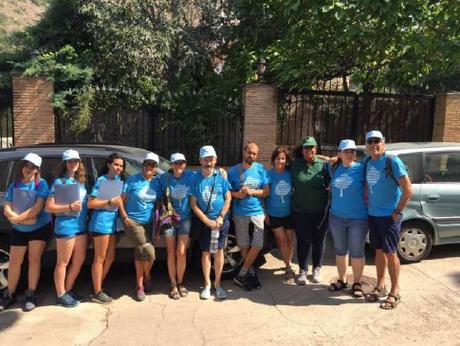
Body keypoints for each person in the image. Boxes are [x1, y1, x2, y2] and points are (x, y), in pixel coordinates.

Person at [363, 131, 412, 310]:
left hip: (389, 216)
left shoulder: (392, 162)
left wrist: (397, 212)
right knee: (378, 251)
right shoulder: (368, 162)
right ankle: (380, 286)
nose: (374, 144)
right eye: (370, 141)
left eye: (377, 141)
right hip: (373, 214)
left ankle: (395, 290)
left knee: (391, 253)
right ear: (366, 145)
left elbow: (408, 189)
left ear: (384, 143)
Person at [0, 153, 52, 312]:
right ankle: (9, 294)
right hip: (19, 229)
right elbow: (7, 205)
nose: (29, 169)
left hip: (39, 228)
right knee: (15, 262)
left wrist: (17, 219)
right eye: (26, 165)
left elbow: (36, 208)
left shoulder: (41, 184)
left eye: (33, 167)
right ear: (22, 166)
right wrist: (15, 218)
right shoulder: (14, 184)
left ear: (37, 170)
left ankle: (30, 294)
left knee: (34, 260)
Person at [46, 150, 88, 307]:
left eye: (76, 161)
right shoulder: (59, 183)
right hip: (66, 226)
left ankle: (68, 289)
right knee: (63, 262)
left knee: (79, 260)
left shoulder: (81, 182)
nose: (73, 164)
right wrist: (69, 206)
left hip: (81, 226)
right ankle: (60, 294)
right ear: (65, 163)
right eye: (70, 161)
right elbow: (49, 207)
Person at [327, 140, 368, 297]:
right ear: (339, 153)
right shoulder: (335, 167)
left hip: (358, 218)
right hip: (336, 217)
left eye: (352, 151)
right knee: (340, 250)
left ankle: (357, 282)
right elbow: (324, 160)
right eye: (346, 151)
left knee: (357, 251)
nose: (349, 154)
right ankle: (342, 280)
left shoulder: (361, 168)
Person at [190, 146, 232, 300]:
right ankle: (207, 284)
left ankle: (218, 284)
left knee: (219, 251)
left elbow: (228, 198)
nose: (208, 162)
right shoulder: (195, 178)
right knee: (206, 252)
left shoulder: (221, 177)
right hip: (205, 223)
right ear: (200, 160)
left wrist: (221, 216)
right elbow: (193, 203)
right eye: (205, 159)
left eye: (211, 158)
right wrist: (205, 220)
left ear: (215, 160)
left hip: (220, 222)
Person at [228, 142, 269, 291]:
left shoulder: (260, 169)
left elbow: (266, 191)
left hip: (257, 211)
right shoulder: (233, 171)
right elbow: (227, 192)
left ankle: (242, 272)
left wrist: (252, 191)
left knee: (258, 244)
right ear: (244, 152)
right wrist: (237, 194)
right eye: (249, 152)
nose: (251, 155)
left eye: (254, 154)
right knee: (244, 244)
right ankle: (249, 271)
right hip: (240, 213)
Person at [120, 152, 160, 301]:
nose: (149, 167)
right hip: (133, 222)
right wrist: (124, 217)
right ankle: (148, 276)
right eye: (147, 164)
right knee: (149, 252)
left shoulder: (157, 182)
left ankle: (139, 285)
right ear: (142, 166)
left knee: (140, 253)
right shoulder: (132, 180)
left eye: (152, 165)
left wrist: (158, 226)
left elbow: (158, 204)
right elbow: (120, 199)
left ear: (155, 168)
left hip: (149, 222)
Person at [290, 136, 329, 285]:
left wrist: (325, 159)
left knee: (319, 241)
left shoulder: (324, 166)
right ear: (302, 150)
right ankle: (303, 270)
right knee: (303, 241)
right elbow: (278, 166)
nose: (309, 150)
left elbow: (331, 183)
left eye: (312, 147)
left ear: (316, 149)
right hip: (300, 211)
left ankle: (317, 268)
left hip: (320, 212)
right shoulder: (294, 165)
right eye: (306, 147)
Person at [88, 153, 125, 303]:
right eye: (116, 164)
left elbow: (119, 201)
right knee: (100, 258)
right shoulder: (101, 181)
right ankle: (97, 292)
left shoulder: (118, 181)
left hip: (112, 223)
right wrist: (109, 202)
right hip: (101, 223)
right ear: (109, 164)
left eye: (121, 166)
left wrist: (124, 213)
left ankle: (98, 287)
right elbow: (91, 204)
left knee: (110, 257)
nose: (119, 168)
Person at [158, 153, 194, 300]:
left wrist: (221, 173)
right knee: (171, 252)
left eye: (181, 163)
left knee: (181, 252)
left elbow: (207, 174)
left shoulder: (191, 176)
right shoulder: (164, 178)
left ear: (185, 164)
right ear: (171, 165)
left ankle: (181, 282)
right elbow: (149, 179)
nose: (179, 166)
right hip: (169, 219)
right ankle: (173, 284)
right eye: (176, 163)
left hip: (185, 219)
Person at [265, 147, 295, 281]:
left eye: (283, 158)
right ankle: (288, 267)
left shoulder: (290, 174)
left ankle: (287, 262)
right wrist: (265, 213)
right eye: (278, 158)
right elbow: (264, 195)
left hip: (289, 212)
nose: (280, 161)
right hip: (274, 213)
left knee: (290, 240)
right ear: (273, 160)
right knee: (281, 240)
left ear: (286, 160)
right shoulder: (268, 175)